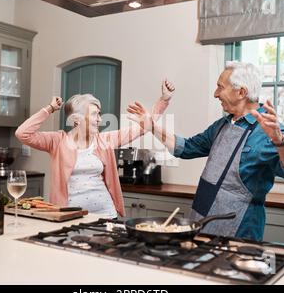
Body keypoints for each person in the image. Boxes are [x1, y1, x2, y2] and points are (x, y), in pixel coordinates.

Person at [127, 62, 284, 240]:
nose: (215, 94)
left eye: (220, 87)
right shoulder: (222, 125)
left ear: (241, 92)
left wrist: (280, 142)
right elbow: (186, 147)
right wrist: (152, 127)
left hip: (239, 228)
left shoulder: (268, 130)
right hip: (202, 219)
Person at [15, 80, 175, 218]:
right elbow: (23, 133)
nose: (100, 119)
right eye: (95, 115)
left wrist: (164, 100)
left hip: (106, 215)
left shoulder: (103, 140)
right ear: (76, 120)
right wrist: (49, 109)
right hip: (69, 216)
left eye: (99, 114)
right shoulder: (57, 141)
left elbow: (143, 127)